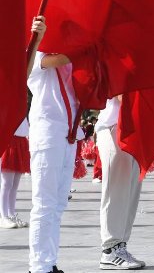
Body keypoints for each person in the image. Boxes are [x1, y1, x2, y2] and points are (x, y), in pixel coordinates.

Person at [26, 16, 83, 273]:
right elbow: (58, 59)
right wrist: (37, 37)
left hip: (68, 134)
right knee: (44, 202)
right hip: (46, 133)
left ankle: (48, 262)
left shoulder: (70, 64)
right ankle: (38, 266)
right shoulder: (35, 55)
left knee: (58, 203)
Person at [96, 95, 146, 269]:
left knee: (130, 193)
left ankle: (121, 246)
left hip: (135, 126)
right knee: (116, 191)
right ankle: (110, 249)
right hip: (114, 125)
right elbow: (120, 90)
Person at [0, 117, 30, 229]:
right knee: (6, 183)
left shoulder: (21, 108)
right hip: (9, 141)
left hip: (21, 142)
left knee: (15, 185)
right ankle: (4, 217)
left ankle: (11, 214)